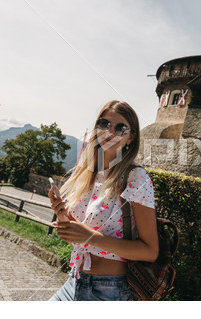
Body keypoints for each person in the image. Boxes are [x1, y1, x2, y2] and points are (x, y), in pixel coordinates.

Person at [48, 100, 158, 301]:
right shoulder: (89, 172)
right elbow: (83, 231)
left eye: (120, 128)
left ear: (131, 137)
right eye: (104, 124)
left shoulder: (136, 177)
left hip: (108, 292)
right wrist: (65, 217)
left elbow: (150, 251)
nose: (110, 132)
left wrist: (91, 237)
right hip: (74, 281)